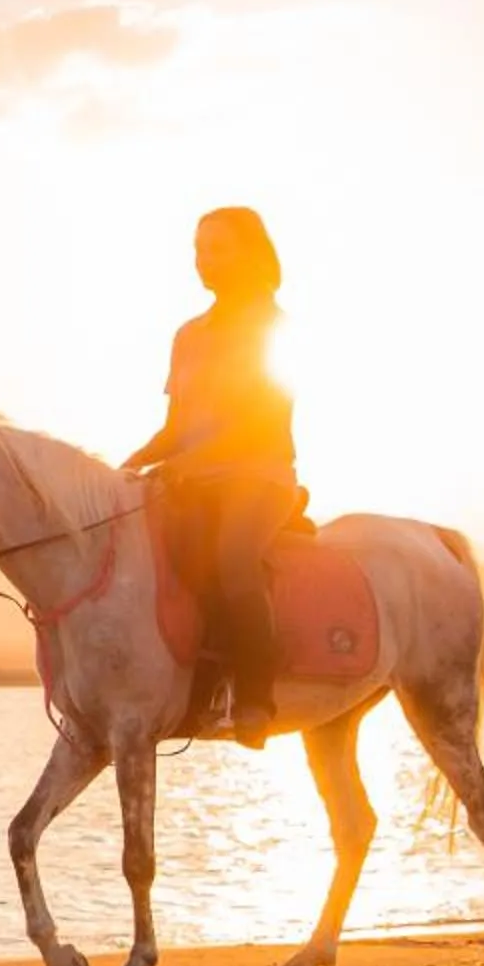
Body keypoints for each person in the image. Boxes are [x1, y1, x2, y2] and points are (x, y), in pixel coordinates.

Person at [121, 208, 298, 748]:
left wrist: (186, 464)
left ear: (250, 253)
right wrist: (127, 468)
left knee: (232, 557)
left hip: (259, 476)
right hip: (194, 481)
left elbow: (263, 422)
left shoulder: (271, 327)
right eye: (198, 249)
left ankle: (254, 696)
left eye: (217, 248)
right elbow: (176, 428)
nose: (203, 261)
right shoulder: (189, 336)